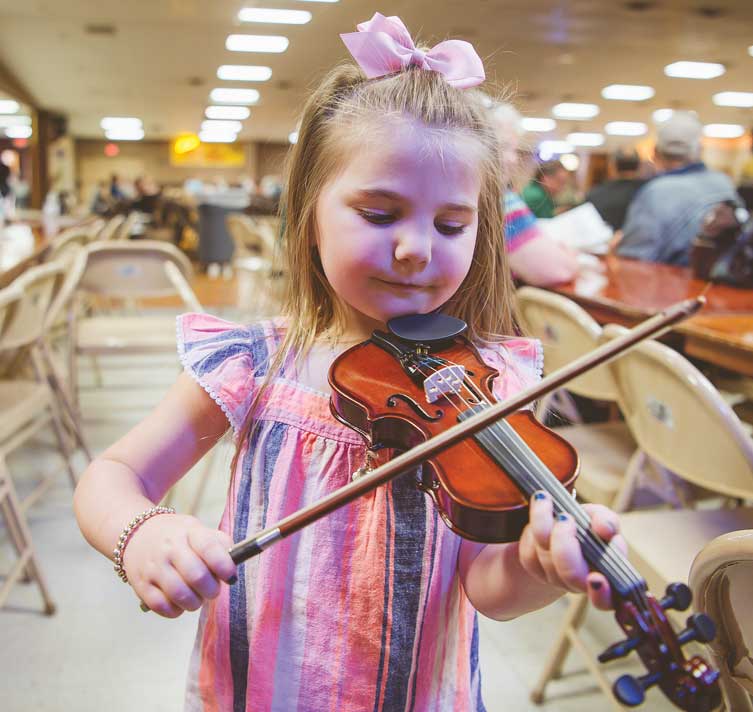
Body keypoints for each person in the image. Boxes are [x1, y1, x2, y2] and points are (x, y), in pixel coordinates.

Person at [73, 13, 623, 711]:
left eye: (450, 225)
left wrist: (535, 566)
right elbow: (113, 474)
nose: (417, 248)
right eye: (380, 213)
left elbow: (487, 588)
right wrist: (140, 531)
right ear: (309, 213)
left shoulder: (490, 386)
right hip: (260, 688)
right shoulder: (255, 363)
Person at [616, 111, 742, 266]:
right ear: (699, 150)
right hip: (719, 284)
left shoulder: (655, 192)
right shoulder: (723, 182)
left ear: (655, 152)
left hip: (674, 287)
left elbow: (634, 258)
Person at [491, 102, 579, 285]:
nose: (514, 159)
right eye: (507, 147)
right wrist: (569, 256)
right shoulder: (499, 201)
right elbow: (557, 270)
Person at [585, 149, 645, 230]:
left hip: (606, 241)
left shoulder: (594, 194)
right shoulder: (649, 191)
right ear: (639, 166)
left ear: (612, 166)